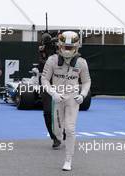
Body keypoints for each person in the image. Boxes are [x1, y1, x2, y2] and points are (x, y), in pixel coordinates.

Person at [41, 31, 91, 171]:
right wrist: (53, 93)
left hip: (72, 99)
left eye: (70, 47)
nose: (67, 50)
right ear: (59, 46)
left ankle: (68, 160)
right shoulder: (52, 60)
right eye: (65, 47)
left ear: (76, 47)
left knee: (70, 129)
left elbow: (87, 81)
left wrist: (83, 95)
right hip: (57, 98)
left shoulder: (81, 63)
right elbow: (44, 79)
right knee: (57, 131)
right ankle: (57, 137)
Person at [38, 33, 61, 149]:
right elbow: (41, 66)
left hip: (60, 84)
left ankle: (63, 130)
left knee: (63, 110)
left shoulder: (63, 52)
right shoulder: (42, 52)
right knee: (47, 112)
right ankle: (54, 137)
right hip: (46, 84)